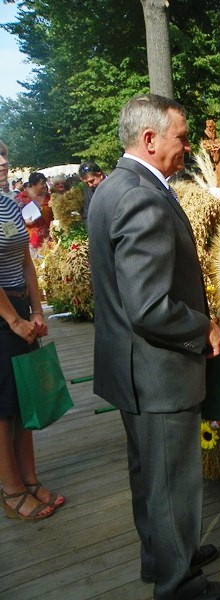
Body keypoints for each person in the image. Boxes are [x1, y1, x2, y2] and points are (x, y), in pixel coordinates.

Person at [88, 94, 220, 600]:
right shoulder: (141, 196)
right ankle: (180, 587)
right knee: (171, 480)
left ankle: (166, 556)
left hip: (133, 367)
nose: (188, 146)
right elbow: (149, 306)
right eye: (182, 136)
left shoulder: (114, 187)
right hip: (158, 371)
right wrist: (204, 328)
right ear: (150, 139)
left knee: (150, 475)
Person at [0, 139, 62, 522]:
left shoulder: (9, 204)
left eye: (4, 155)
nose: (2, 162)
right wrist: (13, 320)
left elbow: (25, 260)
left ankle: (29, 479)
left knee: (25, 398)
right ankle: (11, 490)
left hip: (20, 306)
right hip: (2, 315)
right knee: (3, 407)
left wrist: (37, 311)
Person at [16, 172, 52, 250]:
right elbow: (15, 218)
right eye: (42, 183)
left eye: (45, 183)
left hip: (50, 241)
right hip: (31, 242)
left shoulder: (49, 198)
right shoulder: (22, 198)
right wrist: (24, 222)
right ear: (33, 185)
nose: (44, 185)